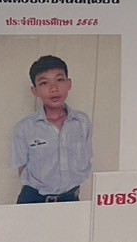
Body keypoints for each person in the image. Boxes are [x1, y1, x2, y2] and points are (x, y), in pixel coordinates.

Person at [11, 55, 93, 203]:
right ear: (34, 91)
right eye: (44, 83)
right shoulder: (24, 128)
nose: (54, 89)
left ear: (69, 84)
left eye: (59, 80)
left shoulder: (82, 122)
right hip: (33, 199)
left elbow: (86, 158)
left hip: (70, 199)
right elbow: (22, 168)